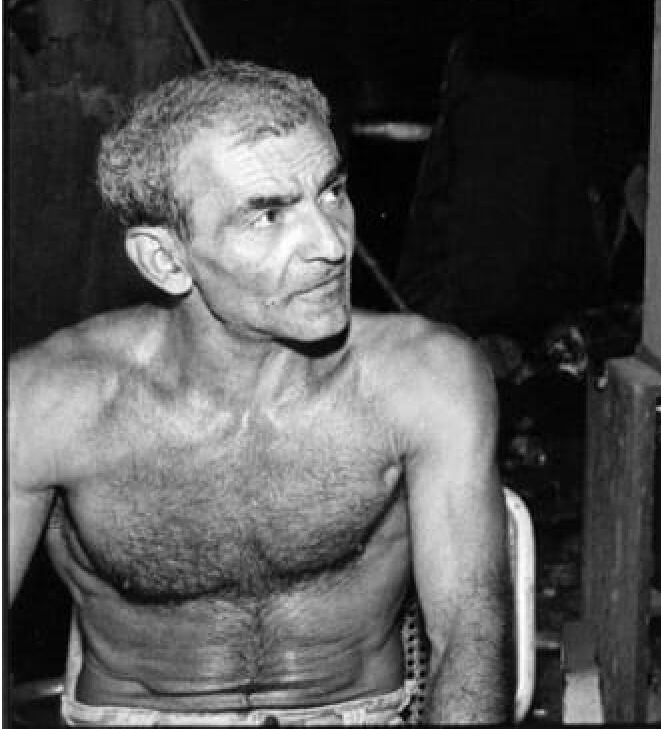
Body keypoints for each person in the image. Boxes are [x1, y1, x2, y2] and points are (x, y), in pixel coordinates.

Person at [6, 61, 510, 725]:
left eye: (331, 192)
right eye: (268, 215)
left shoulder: (426, 378)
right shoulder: (47, 402)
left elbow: (470, 636)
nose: (331, 244)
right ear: (166, 259)